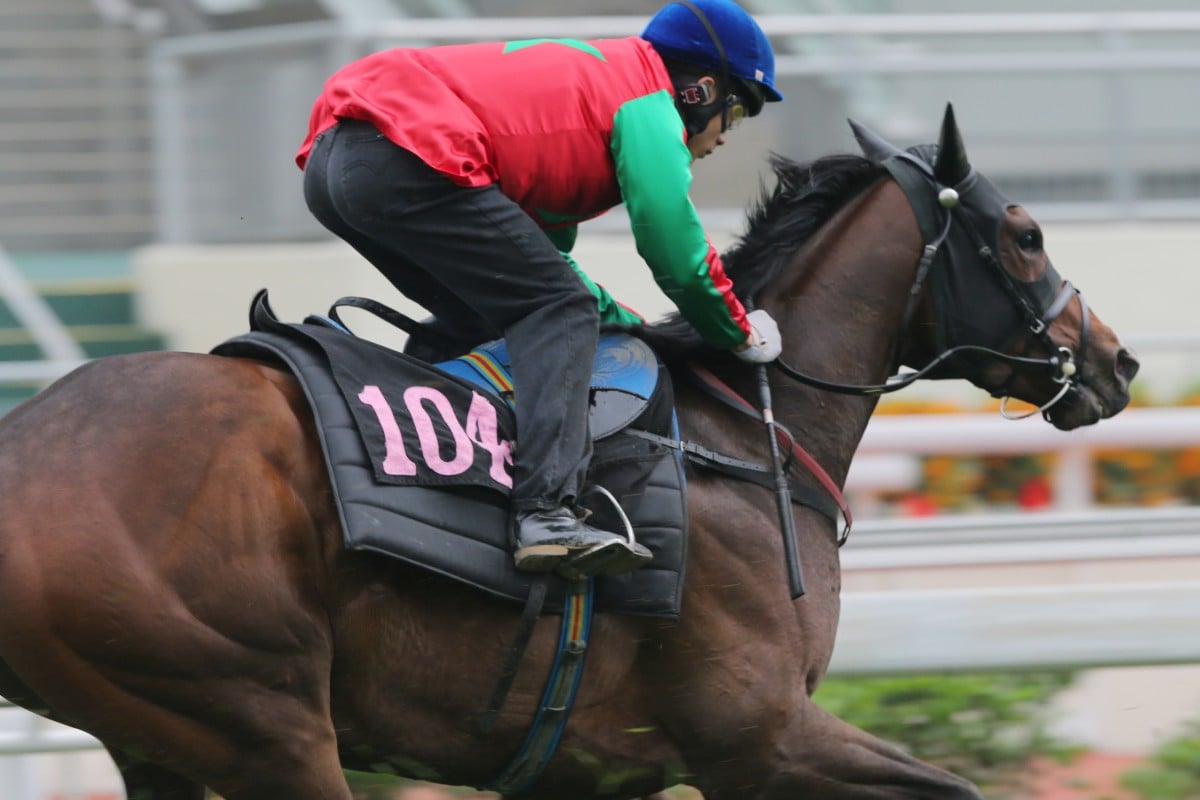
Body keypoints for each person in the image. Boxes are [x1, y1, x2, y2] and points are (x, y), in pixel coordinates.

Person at [296, 0, 784, 578]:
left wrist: (621, 317)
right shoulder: (649, 104)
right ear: (702, 92)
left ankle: (430, 476)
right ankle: (545, 515)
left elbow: (543, 266)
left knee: (489, 315)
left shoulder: (592, 99)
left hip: (338, 165)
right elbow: (672, 248)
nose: (727, 137)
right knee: (557, 310)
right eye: (739, 112)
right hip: (403, 155)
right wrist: (736, 327)